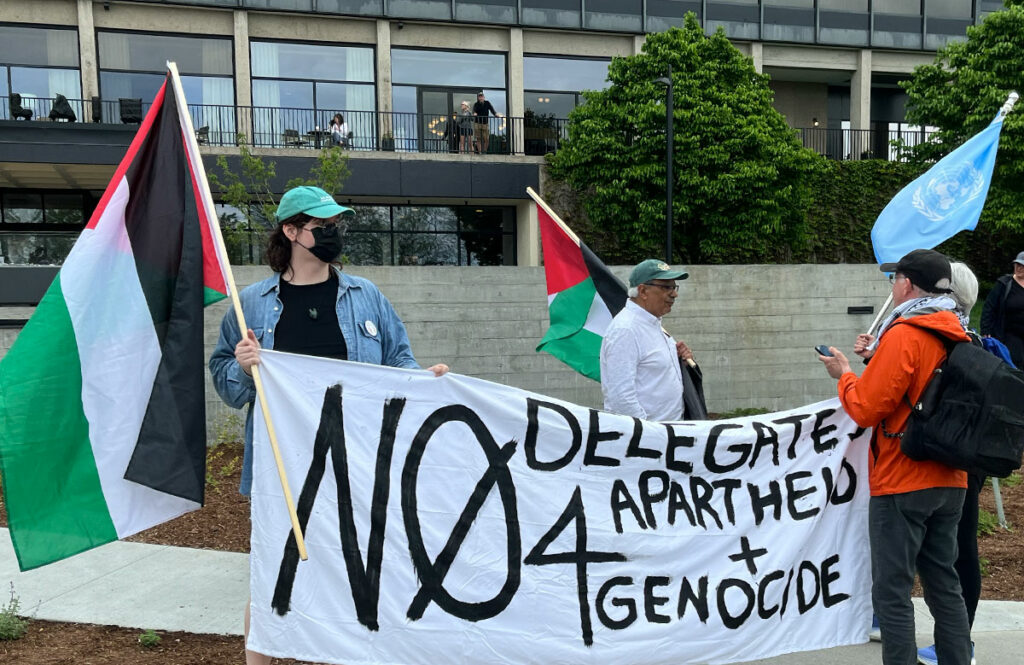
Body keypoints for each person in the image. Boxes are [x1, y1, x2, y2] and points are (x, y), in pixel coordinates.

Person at [209, 185, 449, 665]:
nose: (333, 233)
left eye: (336, 224)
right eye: (322, 226)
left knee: (350, 572)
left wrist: (424, 382)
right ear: (291, 231)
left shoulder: (366, 296)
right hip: (283, 467)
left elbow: (397, 360)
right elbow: (231, 389)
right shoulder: (251, 305)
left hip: (356, 462)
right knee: (273, 575)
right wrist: (243, 364)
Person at [819, 249, 972, 665]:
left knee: (892, 591)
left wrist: (845, 375)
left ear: (907, 284)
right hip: (951, 477)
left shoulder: (905, 333)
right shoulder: (960, 333)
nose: (892, 287)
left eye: (894, 280)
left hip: (902, 477)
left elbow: (868, 408)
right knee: (944, 583)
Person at [599, 259, 695, 421]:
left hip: (669, 435)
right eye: (666, 287)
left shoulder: (652, 323)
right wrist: (649, 434)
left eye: (674, 287)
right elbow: (620, 398)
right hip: (649, 439)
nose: (674, 294)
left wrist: (681, 362)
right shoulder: (626, 330)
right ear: (643, 291)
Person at [980, 250, 1024, 368]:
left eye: (1022, 266)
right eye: (1017, 265)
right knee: (1012, 365)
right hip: (1007, 335)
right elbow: (989, 307)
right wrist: (985, 330)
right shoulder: (1004, 283)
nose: (1019, 268)